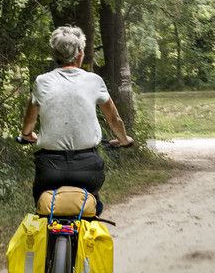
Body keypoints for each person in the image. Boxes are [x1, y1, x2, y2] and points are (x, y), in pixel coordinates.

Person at [21, 25, 132, 215]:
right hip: (88, 168)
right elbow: (114, 119)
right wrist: (123, 140)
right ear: (80, 54)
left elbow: (30, 117)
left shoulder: (42, 81)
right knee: (93, 206)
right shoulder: (94, 81)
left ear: (54, 54)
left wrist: (26, 134)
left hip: (50, 168)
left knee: (41, 207)